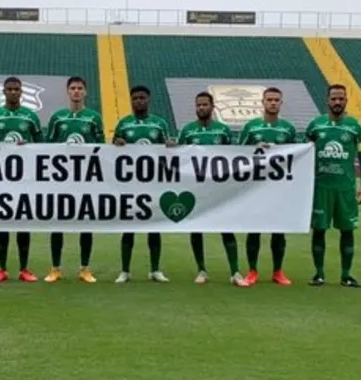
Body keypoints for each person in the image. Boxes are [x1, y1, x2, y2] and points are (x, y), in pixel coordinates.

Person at [178, 91, 249, 288]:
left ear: (212, 107)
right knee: (196, 229)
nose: (201, 108)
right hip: (197, 189)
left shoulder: (223, 130)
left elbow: (235, 156)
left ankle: (235, 271)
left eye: (205, 105)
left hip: (219, 189)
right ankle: (201, 270)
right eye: (198, 105)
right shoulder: (188, 131)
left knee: (226, 229)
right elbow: (179, 158)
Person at [306, 84, 361, 288]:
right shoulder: (316, 125)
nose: (337, 102)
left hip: (345, 187)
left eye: (341, 98)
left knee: (347, 230)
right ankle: (319, 274)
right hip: (321, 187)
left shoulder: (354, 126)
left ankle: (346, 275)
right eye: (334, 98)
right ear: (327, 100)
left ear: (346, 101)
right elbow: (301, 152)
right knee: (319, 230)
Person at [43, 76, 104, 284]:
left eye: (79, 88)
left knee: (85, 223)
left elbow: (101, 149)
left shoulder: (94, 118)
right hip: (61, 181)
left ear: (85, 92)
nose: (76, 92)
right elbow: (47, 147)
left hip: (86, 180)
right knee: (57, 223)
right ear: (67, 92)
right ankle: (55, 268)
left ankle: (84, 268)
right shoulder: (58, 117)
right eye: (73, 88)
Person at [0, 76, 43, 283]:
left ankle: (24, 268)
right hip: (0, 179)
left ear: (21, 92)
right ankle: (2, 268)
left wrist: (28, 147)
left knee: (23, 223)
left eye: (16, 89)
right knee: (2, 223)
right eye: (9, 89)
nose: (13, 92)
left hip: (25, 180)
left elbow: (41, 147)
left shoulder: (31, 117)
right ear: (3, 91)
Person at [112, 85, 171, 284]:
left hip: (153, 183)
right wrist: (117, 142)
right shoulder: (124, 124)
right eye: (135, 98)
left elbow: (169, 150)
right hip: (130, 185)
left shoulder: (159, 123)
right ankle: (125, 271)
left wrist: (171, 146)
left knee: (154, 227)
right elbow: (111, 150)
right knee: (129, 227)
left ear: (148, 99)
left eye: (142, 97)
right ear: (131, 100)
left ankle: (155, 269)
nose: (139, 101)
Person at [238, 87, 296, 286]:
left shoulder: (288, 129)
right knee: (254, 229)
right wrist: (254, 150)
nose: (272, 103)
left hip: (279, 188)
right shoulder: (251, 127)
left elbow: (297, 155)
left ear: (281, 103)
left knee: (278, 230)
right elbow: (237, 153)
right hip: (255, 187)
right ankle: (252, 271)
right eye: (269, 99)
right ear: (262, 102)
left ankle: (277, 271)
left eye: (276, 100)